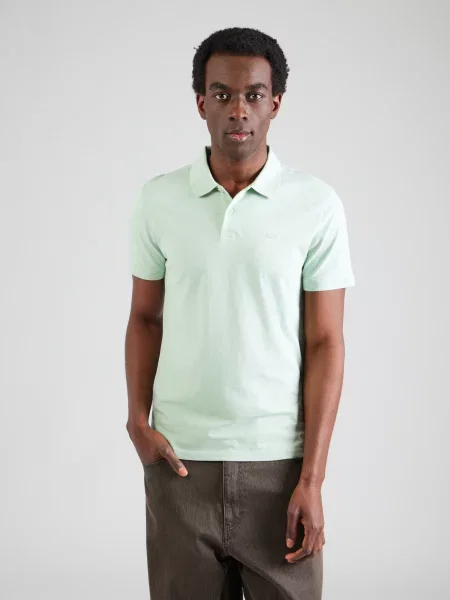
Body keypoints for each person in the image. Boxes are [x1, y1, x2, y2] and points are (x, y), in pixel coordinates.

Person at [125, 26, 355, 600]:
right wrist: (137, 420)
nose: (238, 109)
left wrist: (312, 478)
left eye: (253, 94)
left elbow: (326, 341)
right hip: (180, 463)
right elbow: (145, 318)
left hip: (279, 466)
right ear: (200, 103)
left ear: (275, 104)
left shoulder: (316, 205)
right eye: (222, 94)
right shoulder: (158, 200)